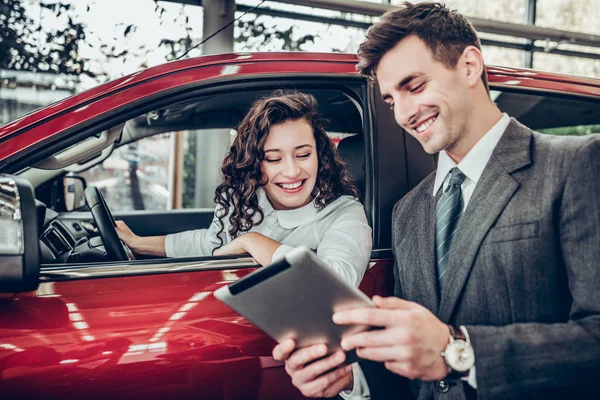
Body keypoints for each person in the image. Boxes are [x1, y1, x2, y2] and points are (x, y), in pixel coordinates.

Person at [273, 2, 600, 399]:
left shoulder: (575, 166)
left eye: (415, 86)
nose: (404, 114)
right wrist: (351, 377)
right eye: (392, 100)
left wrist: (457, 351)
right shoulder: (409, 211)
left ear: (469, 66)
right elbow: (415, 359)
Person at [115, 90, 372, 287]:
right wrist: (138, 244)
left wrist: (252, 242)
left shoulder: (345, 213)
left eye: (303, 155)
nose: (292, 171)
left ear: (320, 155)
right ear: (254, 163)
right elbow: (210, 243)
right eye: (273, 159)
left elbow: (339, 281)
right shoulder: (241, 197)